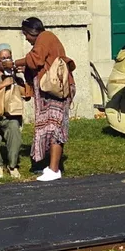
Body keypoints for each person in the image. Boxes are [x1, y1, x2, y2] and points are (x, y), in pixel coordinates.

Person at [19, 16, 75, 182]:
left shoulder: (45, 36)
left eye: (26, 34)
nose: (27, 39)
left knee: (55, 128)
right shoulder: (45, 39)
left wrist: (16, 63)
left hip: (56, 92)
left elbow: (35, 59)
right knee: (50, 128)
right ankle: (51, 166)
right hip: (50, 93)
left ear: (32, 31)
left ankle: (54, 169)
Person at [0, 43, 27, 178]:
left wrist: (23, 77)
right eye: (3, 58)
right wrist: (3, 84)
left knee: (14, 129)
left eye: (9, 57)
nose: (6, 61)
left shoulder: (15, 75)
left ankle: (12, 165)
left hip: (10, 114)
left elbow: (27, 94)